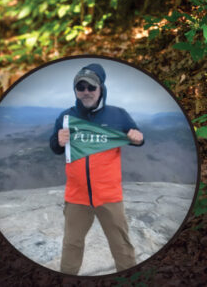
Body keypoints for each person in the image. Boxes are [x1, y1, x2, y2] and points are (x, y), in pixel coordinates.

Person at [49, 63, 144, 275]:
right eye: (80, 87)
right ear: (75, 91)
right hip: (76, 197)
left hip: (109, 196)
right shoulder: (66, 117)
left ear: (101, 88)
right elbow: (54, 148)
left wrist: (138, 137)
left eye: (91, 87)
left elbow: (137, 137)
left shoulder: (118, 115)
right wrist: (58, 140)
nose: (86, 92)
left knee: (121, 245)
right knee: (71, 244)